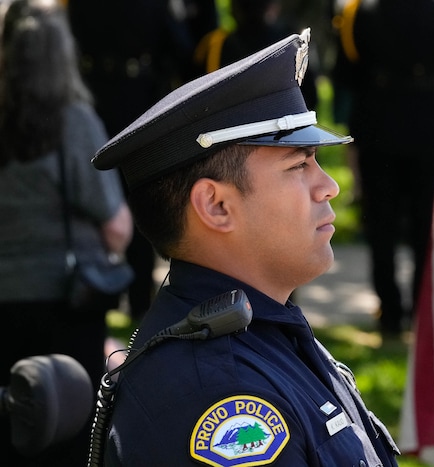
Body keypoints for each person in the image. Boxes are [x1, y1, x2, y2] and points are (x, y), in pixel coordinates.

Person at [87, 29, 400, 466]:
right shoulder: (220, 395)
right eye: (299, 165)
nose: (328, 186)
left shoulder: (265, 331)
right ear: (216, 206)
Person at [0, 0, 132, 465]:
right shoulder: (74, 122)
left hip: (5, 301)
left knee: (12, 427)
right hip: (67, 301)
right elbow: (116, 225)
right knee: (72, 434)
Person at [331, 0, 434, 337]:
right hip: (426, 129)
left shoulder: (359, 13)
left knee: (382, 226)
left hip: (380, 128)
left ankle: (389, 312)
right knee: (423, 227)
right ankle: (421, 310)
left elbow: (347, 73)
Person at [67, 0, 201, 323]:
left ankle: (104, 289)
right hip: (134, 100)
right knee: (137, 192)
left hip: (96, 99)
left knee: (98, 197)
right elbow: (181, 48)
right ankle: (138, 297)